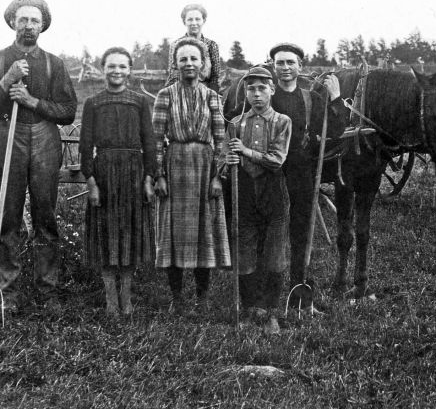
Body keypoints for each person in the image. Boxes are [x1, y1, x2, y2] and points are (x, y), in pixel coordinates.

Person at [0, 0, 77, 312]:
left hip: (44, 137)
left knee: (45, 213)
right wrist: (7, 80)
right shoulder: (2, 58)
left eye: (34, 20)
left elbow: (69, 111)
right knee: (7, 214)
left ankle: (46, 288)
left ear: (42, 25)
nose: (29, 25)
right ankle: (8, 289)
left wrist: (33, 102)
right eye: (23, 19)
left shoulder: (53, 63)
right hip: (8, 137)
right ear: (13, 22)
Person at [152, 38, 230, 312]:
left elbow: (220, 140)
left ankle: (202, 296)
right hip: (174, 167)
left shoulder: (212, 97)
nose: (188, 64)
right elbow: (156, 138)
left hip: (204, 168)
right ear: (175, 64)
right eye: (183, 59)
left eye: (193, 59)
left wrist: (217, 176)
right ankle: (177, 298)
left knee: (204, 232)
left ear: (203, 64)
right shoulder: (165, 96)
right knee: (174, 233)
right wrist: (159, 175)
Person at [79, 47, 156, 316]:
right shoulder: (93, 103)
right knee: (106, 234)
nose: (117, 71)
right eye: (111, 66)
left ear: (130, 70)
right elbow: (86, 146)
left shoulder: (139, 101)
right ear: (103, 69)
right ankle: (111, 298)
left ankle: (127, 297)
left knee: (130, 234)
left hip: (134, 173)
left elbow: (149, 142)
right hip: (105, 173)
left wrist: (149, 178)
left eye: (122, 66)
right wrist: (91, 183)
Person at [269, 43, 346, 310]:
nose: (286, 68)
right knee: (272, 232)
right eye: (280, 63)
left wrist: (335, 97)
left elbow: (336, 130)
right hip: (271, 172)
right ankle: (266, 298)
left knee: (301, 233)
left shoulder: (310, 97)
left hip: (302, 171)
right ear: (273, 66)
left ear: (300, 66)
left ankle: (299, 294)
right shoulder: (267, 96)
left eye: (291, 62)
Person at [221, 66, 291, 333]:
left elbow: (276, 160)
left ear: (272, 90)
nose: (256, 94)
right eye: (251, 88)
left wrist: (246, 150)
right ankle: (249, 309)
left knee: (274, 255)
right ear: (245, 92)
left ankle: (272, 311)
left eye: (262, 88)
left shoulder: (282, 122)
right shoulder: (235, 124)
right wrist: (227, 161)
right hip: (245, 192)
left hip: (274, 192)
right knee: (245, 252)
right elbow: (224, 161)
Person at [166, 4, 222, 92]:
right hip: (180, 90)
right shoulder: (176, 45)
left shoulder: (211, 45)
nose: (194, 23)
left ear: (203, 21)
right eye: (190, 19)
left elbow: (215, 76)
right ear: (184, 22)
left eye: (197, 19)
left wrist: (211, 97)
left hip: (205, 90)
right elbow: (173, 74)